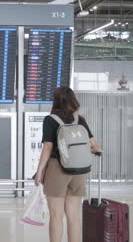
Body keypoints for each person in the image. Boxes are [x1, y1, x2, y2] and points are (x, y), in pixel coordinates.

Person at [34, 86, 101, 242]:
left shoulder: (50, 120)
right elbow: (94, 145)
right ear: (73, 99)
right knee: (74, 216)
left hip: (57, 169)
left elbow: (48, 147)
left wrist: (39, 171)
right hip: (78, 172)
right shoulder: (80, 119)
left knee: (56, 216)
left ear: (55, 101)